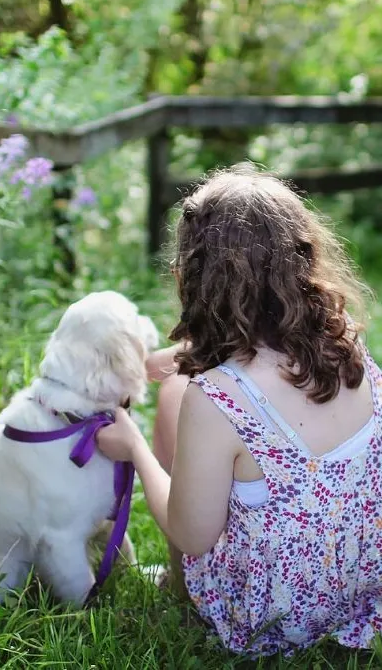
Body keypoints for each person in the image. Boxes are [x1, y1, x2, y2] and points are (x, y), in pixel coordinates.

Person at [97, 164, 382, 656]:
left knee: (173, 395)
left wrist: (136, 450)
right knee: (178, 383)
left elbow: (193, 534)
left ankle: (180, 587)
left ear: (194, 276)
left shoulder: (214, 399)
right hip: (358, 589)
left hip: (269, 614)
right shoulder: (348, 347)